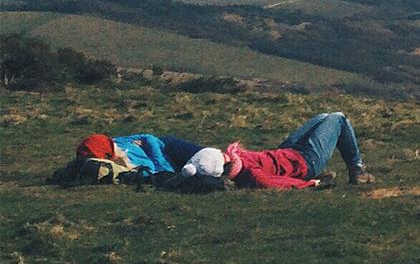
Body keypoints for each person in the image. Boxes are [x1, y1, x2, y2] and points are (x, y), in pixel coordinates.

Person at [223, 112, 375, 190]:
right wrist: (309, 183)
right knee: (338, 118)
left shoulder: (236, 158)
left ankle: (356, 168)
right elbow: (276, 183)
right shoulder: (252, 173)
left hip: (288, 153)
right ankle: (357, 169)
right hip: (306, 162)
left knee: (323, 117)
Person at [74, 133, 211, 176]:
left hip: (165, 146)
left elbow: (148, 137)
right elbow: (151, 170)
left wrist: (161, 167)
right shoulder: (125, 169)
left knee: (208, 155)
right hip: (171, 163)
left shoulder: (117, 143)